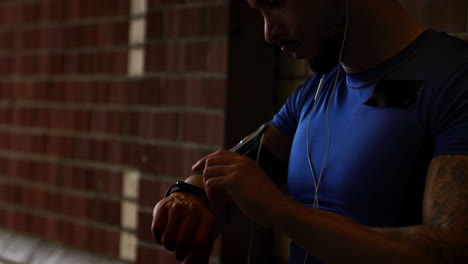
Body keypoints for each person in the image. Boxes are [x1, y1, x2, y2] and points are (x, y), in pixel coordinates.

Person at [152, 0, 468, 263]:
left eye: (276, 3)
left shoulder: (456, 80)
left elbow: (449, 251)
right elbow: (232, 173)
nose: (268, 33)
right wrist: (187, 197)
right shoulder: (316, 91)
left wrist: (280, 212)